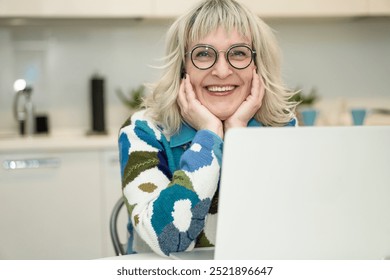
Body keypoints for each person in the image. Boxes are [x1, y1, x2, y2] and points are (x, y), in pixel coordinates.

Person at [118, 0, 298, 257]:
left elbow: (286, 231)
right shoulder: (143, 132)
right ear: (183, 67)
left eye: (238, 53)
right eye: (203, 53)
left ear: (257, 65)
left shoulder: (282, 128)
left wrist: (237, 135)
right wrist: (210, 134)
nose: (222, 71)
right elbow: (167, 240)